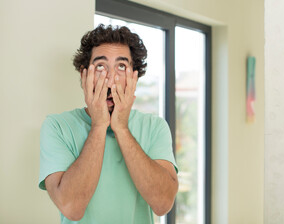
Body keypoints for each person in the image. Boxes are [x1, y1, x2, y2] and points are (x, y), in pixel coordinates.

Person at [38, 24, 179, 224]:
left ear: (134, 77)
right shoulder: (57, 127)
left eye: (121, 66)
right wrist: (98, 126)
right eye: (101, 66)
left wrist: (121, 128)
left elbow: (163, 204)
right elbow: (72, 208)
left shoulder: (155, 127)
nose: (111, 78)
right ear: (84, 75)